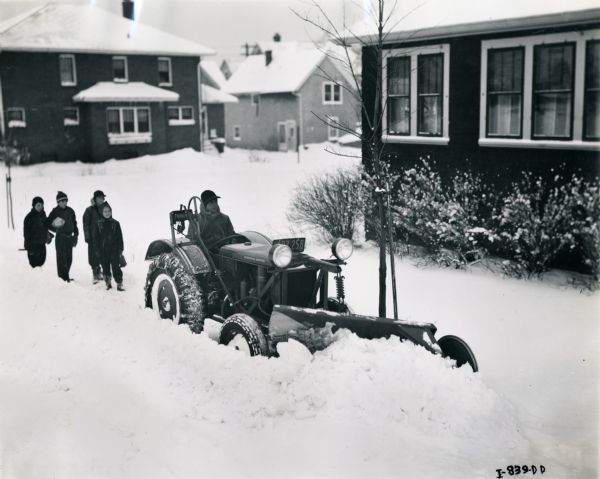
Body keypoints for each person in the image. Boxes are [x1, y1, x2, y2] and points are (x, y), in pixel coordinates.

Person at [46, 191, 78, 282]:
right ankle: (63, 278)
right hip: (60, 238)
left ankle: (66, 276)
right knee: (61, 259)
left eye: (66, 201)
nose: (65, 202)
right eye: (63, 201)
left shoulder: (70, 210)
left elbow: (75, 224)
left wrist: (76, 235)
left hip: (69, 237)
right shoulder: (55, 211)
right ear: (58, 202)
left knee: (69, 259)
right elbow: (47, 223)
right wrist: (55, 228)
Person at [93, 202, 124, 291]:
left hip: (114, 250)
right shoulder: (98, 224)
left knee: (116, 267)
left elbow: (120, 238)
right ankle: (108, 283)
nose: (107, 213)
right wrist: (97, 250)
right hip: (103, 251)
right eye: (105, 211)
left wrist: (120, 249)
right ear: (102, 213)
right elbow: (96, 239)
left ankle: (119, 283)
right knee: (105, 267)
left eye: (109, 211)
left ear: (111, 212)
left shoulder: (116, 223)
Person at [83, 190, 106, 283]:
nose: (101, 199)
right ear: (95, 199)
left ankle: (99, 271)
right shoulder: (89, 210)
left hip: (103, 237)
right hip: (93, 237)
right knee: (93, 256)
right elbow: (86, 224)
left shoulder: (105, 208)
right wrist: (87, 236)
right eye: (99, 198)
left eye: (102, 198)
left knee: (102, 254)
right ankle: (95, 274)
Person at [23, 196, 52, 268]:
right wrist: (29, 247)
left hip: (42, 244)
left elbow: (45, 228)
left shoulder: (43, 215)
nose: (40, 207)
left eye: (41, 205)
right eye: (38, 205)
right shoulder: (29, 217)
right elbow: (26, 234)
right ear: (34, 205)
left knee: (41, 263)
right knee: (34, 265)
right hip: (33, 245)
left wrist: (48, 236)